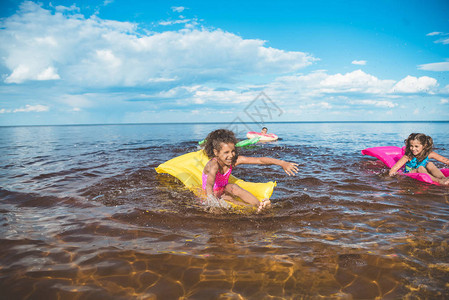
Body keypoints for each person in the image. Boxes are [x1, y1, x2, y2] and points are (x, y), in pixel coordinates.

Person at [202, 129, 299, 212]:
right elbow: (209, 184)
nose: (231, 155)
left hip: (223, 189)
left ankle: (259, 205)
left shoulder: (234, 161)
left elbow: (260, 160)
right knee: (230, 201)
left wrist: (282, 163)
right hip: (211, 192)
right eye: (226, 152)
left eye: (233, 151)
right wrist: (212, 200)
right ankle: (250, 208)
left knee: (233, 187)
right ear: (216, 152)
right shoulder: (213, 164)